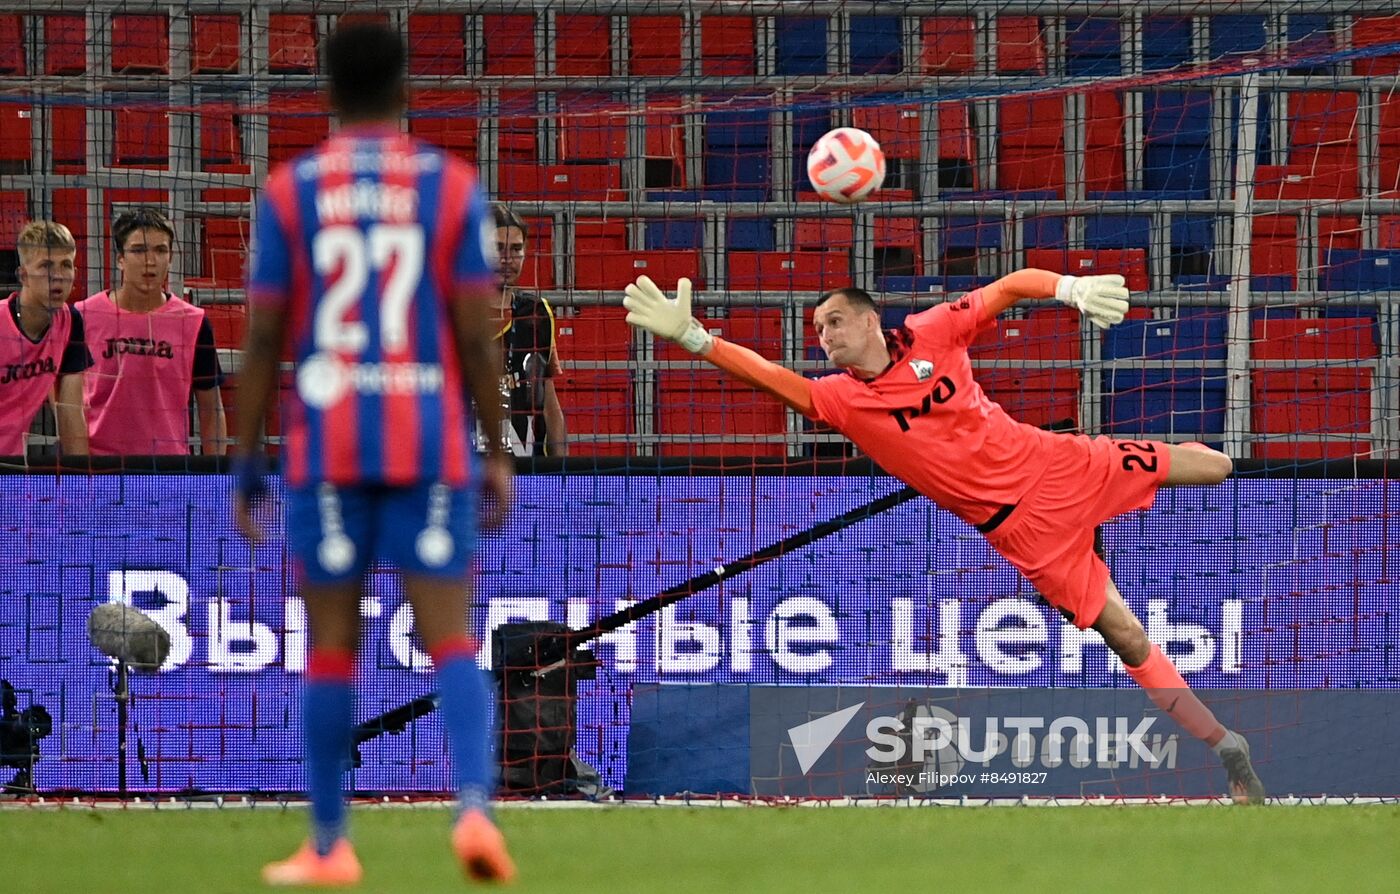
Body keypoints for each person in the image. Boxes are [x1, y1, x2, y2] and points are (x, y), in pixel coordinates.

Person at [623, 269, 1267, 804]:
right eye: (816, 330)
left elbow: (1009, 287)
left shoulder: (935, 330)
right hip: (1024, 534)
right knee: (1125, 636)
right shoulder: (840, 402)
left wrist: (1069, 289)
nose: (823, 338)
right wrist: (695, 337)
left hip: (1059, 464)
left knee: (1216, 468)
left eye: (834, 322)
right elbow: (770, 376)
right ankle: (1225, 746)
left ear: (870, 320)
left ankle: (1141, 484)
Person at [232, 22, 516, 886]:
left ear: (326, 87)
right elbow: (475, 328)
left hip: (327, 445)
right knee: (452, 639)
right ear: (404, 87)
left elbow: (264, 334)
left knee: (329, 644)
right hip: (427, 439)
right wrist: (496, 445)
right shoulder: (450, 186)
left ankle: (330, 845)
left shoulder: (293, 190)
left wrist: (246, 459)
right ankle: (474, 809)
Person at [76, 207, 226, 455]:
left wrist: (217, 481)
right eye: (138, 250)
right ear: (119, 259)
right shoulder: (82, 316)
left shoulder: (193, 322)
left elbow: (211, 409)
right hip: (99, 470)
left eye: (160, 250)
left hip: (168, 471)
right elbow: (64, 402)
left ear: (170, 257)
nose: (150, 260)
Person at [0, 220, 90, 456]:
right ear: (23, 275)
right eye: (46, 266)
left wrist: (82, 484)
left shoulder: (70, 323)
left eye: (66, 265)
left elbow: (70, 412)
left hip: (14, 471)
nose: (58, 276)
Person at [492, 205, 567, 457]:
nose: (507, 259)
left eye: (516, 249)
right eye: (498, 248)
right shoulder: (455, 312)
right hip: (471, 472)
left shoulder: (538, 313)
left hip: (530, 472)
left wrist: (563, 474)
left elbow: (549, 401)